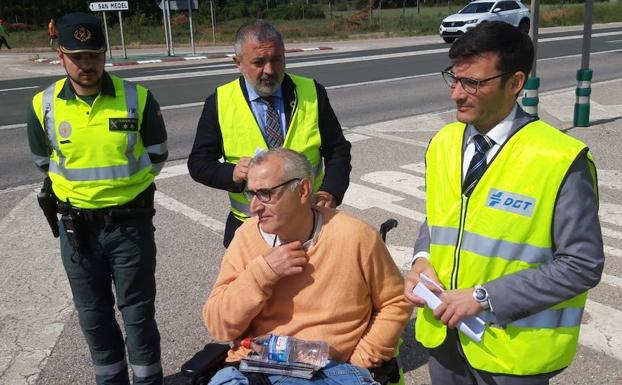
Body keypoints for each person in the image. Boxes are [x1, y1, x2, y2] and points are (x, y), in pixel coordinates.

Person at [404, 21, 604, 385]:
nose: (457, 94)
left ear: (515, 83)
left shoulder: (559, 158)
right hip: (444, 340)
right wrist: (421, 260)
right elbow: (438, 217)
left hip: (512, 354)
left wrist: (484, 297)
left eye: (474, 83)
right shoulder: (444, 142)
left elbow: (582, 264)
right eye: (454, 78)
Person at [26, 12, 168, 385]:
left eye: (93, 55)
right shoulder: (43, 105)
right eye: (77, 56)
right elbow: (44, 160)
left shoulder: (137, 98)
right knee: (93, 316)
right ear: (61, 56)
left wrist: (120, 193)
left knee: (138, 314)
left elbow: (157, 154)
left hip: (130, 226)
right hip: (77, 232)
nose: (86, 64)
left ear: (105, 54)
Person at [203, 148, 412, 385]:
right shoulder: (246, 238)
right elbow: (219, 327)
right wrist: (262, 273)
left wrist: (363, 358)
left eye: (265, 194)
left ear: (303, 190)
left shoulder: (355, 236)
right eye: (251, 193)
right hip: (255, 367)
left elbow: (395, 301)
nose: (253, 207)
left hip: (330, 371)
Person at [188, 19, 351, 248]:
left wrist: (330, 192)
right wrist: (232, 174)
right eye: (258, 62)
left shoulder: (312, 92)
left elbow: (338, 150)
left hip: (309, 226)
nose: (270, 70)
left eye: (276, 59)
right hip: (250, 229)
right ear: (238, 62)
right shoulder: (219, 102)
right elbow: (198, 163)